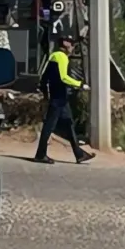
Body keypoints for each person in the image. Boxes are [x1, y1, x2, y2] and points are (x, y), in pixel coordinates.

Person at [35, 36, 94, 165]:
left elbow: (45, 77)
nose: (73, 48)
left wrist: (45, 92)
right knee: (49, 126)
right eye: (72, 45)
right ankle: (40, 154)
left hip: (60, 98)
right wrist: (79, 84)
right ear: (66, 45)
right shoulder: (61, 57)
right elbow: (63, 77)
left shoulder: (54, 56)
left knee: (69, 124)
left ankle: (79, 154)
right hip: (58, 97)